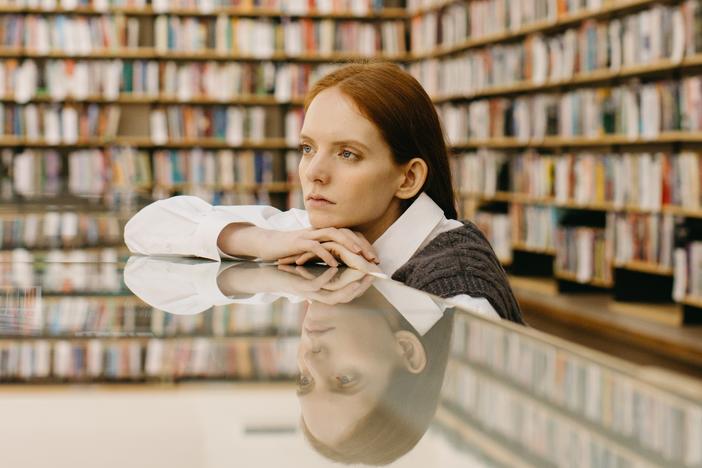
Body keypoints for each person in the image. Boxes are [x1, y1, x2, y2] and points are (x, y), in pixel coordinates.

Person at [124, 60, 524, 324]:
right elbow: (146, 228)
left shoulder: (457, 281)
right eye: (307, 148)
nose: (313, 172)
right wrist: (264, 241)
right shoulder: (328, 228)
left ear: (408, 178)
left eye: (348, 153)